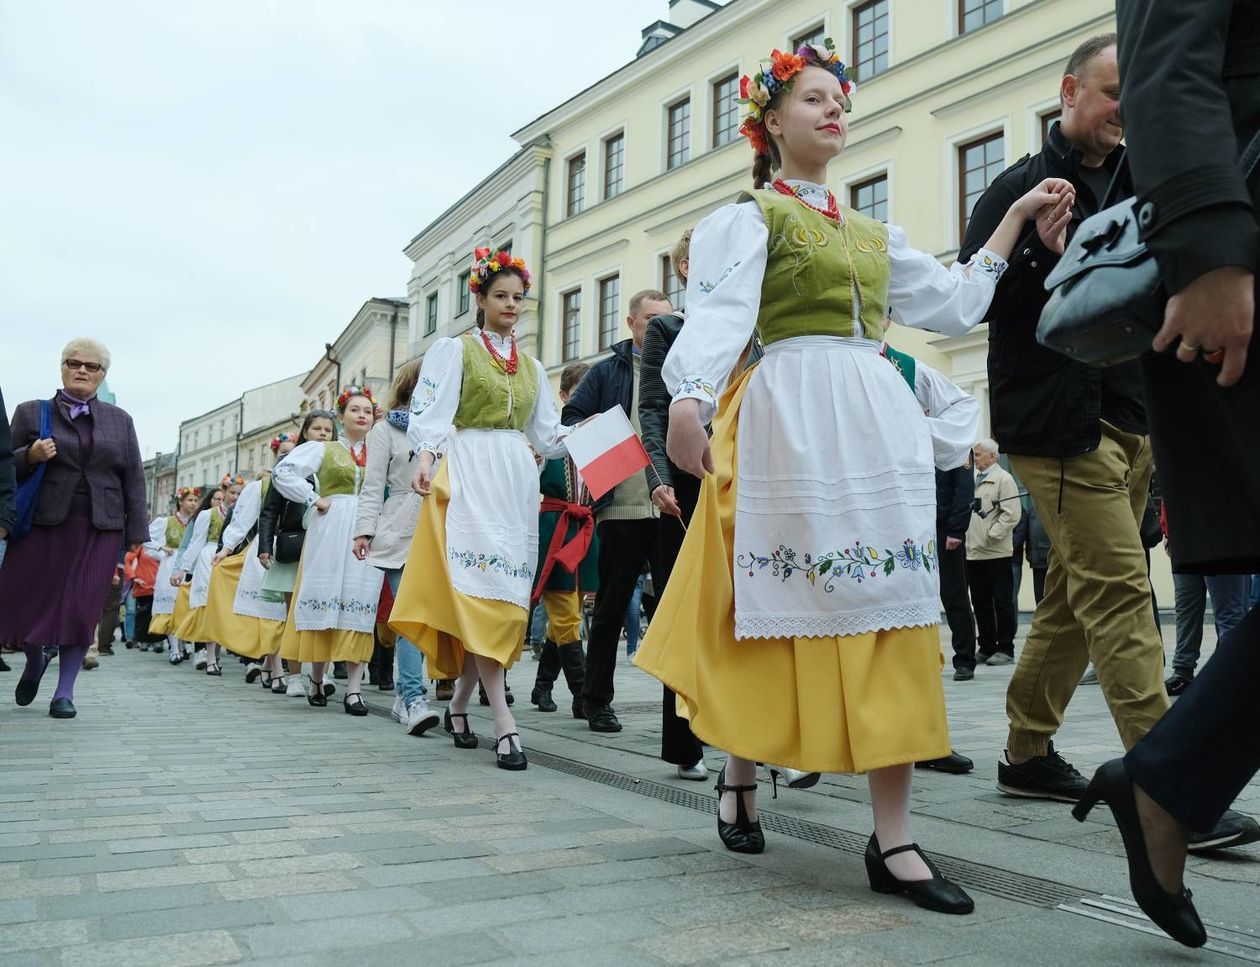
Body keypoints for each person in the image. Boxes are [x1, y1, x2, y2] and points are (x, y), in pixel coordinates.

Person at [634, 38, 1069, 914]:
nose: (835, 110)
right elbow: (717, 316)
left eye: (840, 99)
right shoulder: (751, 217)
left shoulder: (871, 230)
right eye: (814, 100)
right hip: (789, 413)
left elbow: (950, 303)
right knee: (777, 609)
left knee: (891, 612)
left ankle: (895, 837)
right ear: (770, 121)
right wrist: (685, 397)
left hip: (871, 421)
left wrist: (1016, 220)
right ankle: (740, 768)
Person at [1072, 1, 1260, 947]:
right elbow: (1170, 57)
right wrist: (1213, 248)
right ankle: (1170, 776)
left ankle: (1169, 776)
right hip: (1242, 253)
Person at [960, 34, 1172, 804]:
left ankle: (1025, 751)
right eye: (1114, 90)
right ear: (1069, 90)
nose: (1127, 107)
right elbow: (970, 298)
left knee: (1071, 601)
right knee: (1119, 591)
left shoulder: (1144, 175)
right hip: (1056, 425)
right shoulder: (1019, 187)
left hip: (1134, 419)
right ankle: (1169, 782)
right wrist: (1042, 260)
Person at [390, 248, 572, 771]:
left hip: (515, 476)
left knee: (507, 597)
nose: (512, 305)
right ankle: (504, 723)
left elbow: (549, 437)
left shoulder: (533, 367)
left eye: (518, 297)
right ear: (480, 298)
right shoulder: (456, 351)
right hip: (469, 469)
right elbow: (430, 411)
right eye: (501, 296)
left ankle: (461, 704)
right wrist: (425, 457)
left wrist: (593, 435)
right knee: (479, 595)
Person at [1, 338, 148, 718]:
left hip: (101, 528)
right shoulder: (32, 412)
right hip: (41, 523)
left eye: (92, 366)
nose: (82, 370)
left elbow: (134, 478)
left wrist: (135, 535)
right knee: (24, 602)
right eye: (73, 362)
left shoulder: (121, 421)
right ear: (62, 367)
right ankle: (36, 658)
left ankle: (64, 692)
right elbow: (5, 468)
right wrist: (28, 456)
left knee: (82, 608)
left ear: (103, 374)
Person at [561, 288, 674, 733]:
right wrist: (603, 433)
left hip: (670, 503)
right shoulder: (608, 372)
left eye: (668, 319)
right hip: (622, 504)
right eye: (652, 320)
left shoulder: (682, 368)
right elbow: (570, 419)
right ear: (631, 323)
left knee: (670, 607)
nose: (662, 328)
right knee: (610, 606)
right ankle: (596, 699)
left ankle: (679, 713)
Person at [274, 388, 381, 714]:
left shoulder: (378, 451)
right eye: (355, 410)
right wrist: (312, 497)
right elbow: (283, 471)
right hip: (331, 526)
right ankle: (317, 679)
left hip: (366, 528)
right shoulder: (324, 449)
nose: (362, 415)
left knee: (359, 601)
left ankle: (353, 689)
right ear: (342, 416)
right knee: (326, 595)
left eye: (368, 410)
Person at [353, 360, 441, 737]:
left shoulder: (447, 426)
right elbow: (372, 486)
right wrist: (363, 532)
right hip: (400, 526)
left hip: (442, 525)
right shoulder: (385, 429)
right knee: (409, 615)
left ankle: (415, 695)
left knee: (434, 617)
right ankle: (411, 697)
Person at [529, 362, 597, 722]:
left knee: (565, 613)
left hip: (583, 528)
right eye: (580, 390)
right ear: (565, 395)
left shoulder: (598, 438)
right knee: (567, 615)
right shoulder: (547, 439)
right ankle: (583, 696)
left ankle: (542, 686)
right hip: (554, 529)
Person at [257, 413, 338, 697]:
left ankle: (322, 674)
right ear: (304, 432)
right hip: (295, 547)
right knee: (294, 614)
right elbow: (270, 510)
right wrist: (264, 546)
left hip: (327, 545)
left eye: (328, 429)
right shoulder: (288, 466)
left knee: (325, 609)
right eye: (316, 428)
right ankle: (293, 676)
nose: (323, 433)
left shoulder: (338, 464)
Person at [204, 438, 295, 684]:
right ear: (275, 455)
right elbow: (242, 521)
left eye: (294, 452)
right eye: (283, 453)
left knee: (286, 616)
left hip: (296, 549)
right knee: (272, 614)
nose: (288, 457)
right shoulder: (261, 487)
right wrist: (226, 549)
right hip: (266, 551)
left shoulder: (310, 481)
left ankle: (268, 666)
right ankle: (276, 670)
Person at [1161, 497, 1250, 695]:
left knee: (1230, 613)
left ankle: (1234, 676)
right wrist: (1168, 530)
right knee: (1186, 608)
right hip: (1183, 537)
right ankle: (1183, 671)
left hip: (1222, 534)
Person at [172, 474, 242, 675]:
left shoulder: (241, 516)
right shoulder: (208, 515)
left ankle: (217, 655)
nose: (235, 497)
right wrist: (182, 569)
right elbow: (195, 543)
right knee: (210, 608)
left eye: (239, 493)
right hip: (209, 559)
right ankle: (210, 657)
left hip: (230, 562)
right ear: (223, 492)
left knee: (224, 610)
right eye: (231, 493)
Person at [965, 440, 1021, 666]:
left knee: (1002, 601)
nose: (975, 458)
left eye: (978, 455)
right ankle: (986, 646)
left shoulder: (1003, 479)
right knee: (980, 602)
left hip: (996, 552)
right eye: (974, 454)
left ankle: (1006, 648)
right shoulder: (973, 480)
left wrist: (992, 534)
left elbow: (1012, 514)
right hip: (973, 552)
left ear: (992, 457)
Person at [935, 461, 976, 680]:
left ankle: (965, 660)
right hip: (920, 530)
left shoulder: (956, 444)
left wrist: (957, 529)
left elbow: (964, 490)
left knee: (954, 596)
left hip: (946, 532)